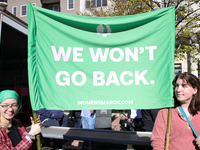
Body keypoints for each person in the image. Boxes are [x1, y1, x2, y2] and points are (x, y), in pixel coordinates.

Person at [151, 72, 200, 150]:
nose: (178, 89)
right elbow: (157, 141)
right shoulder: (165, 112)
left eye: (184, 86)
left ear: (195, 90)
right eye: (176, 86)